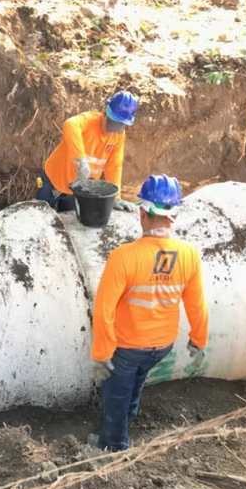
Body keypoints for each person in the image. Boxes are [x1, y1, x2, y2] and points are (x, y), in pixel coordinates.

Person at [89, 174, 209, 452]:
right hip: (162, 347)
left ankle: (114, 444)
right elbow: (197, 305)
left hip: (128, 347)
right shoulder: (189, 254)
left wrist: (102, 352)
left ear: (142, 212)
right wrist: (199, 340)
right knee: (137, 381)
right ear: (174, 216)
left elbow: (104, 309)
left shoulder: (124, 256)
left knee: (116, 394)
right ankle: (129, 417)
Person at [36, 91, 138, 212]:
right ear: (105, 112)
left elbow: (114, 167)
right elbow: (70, 124)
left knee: (69, 222)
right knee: (41, 215)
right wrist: (81, 160)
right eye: (112, 123)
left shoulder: (118, 136)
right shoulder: (89, 121)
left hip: (77, 189)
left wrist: (115, 198)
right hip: (53, 180)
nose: (112, 131)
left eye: (118, 126)